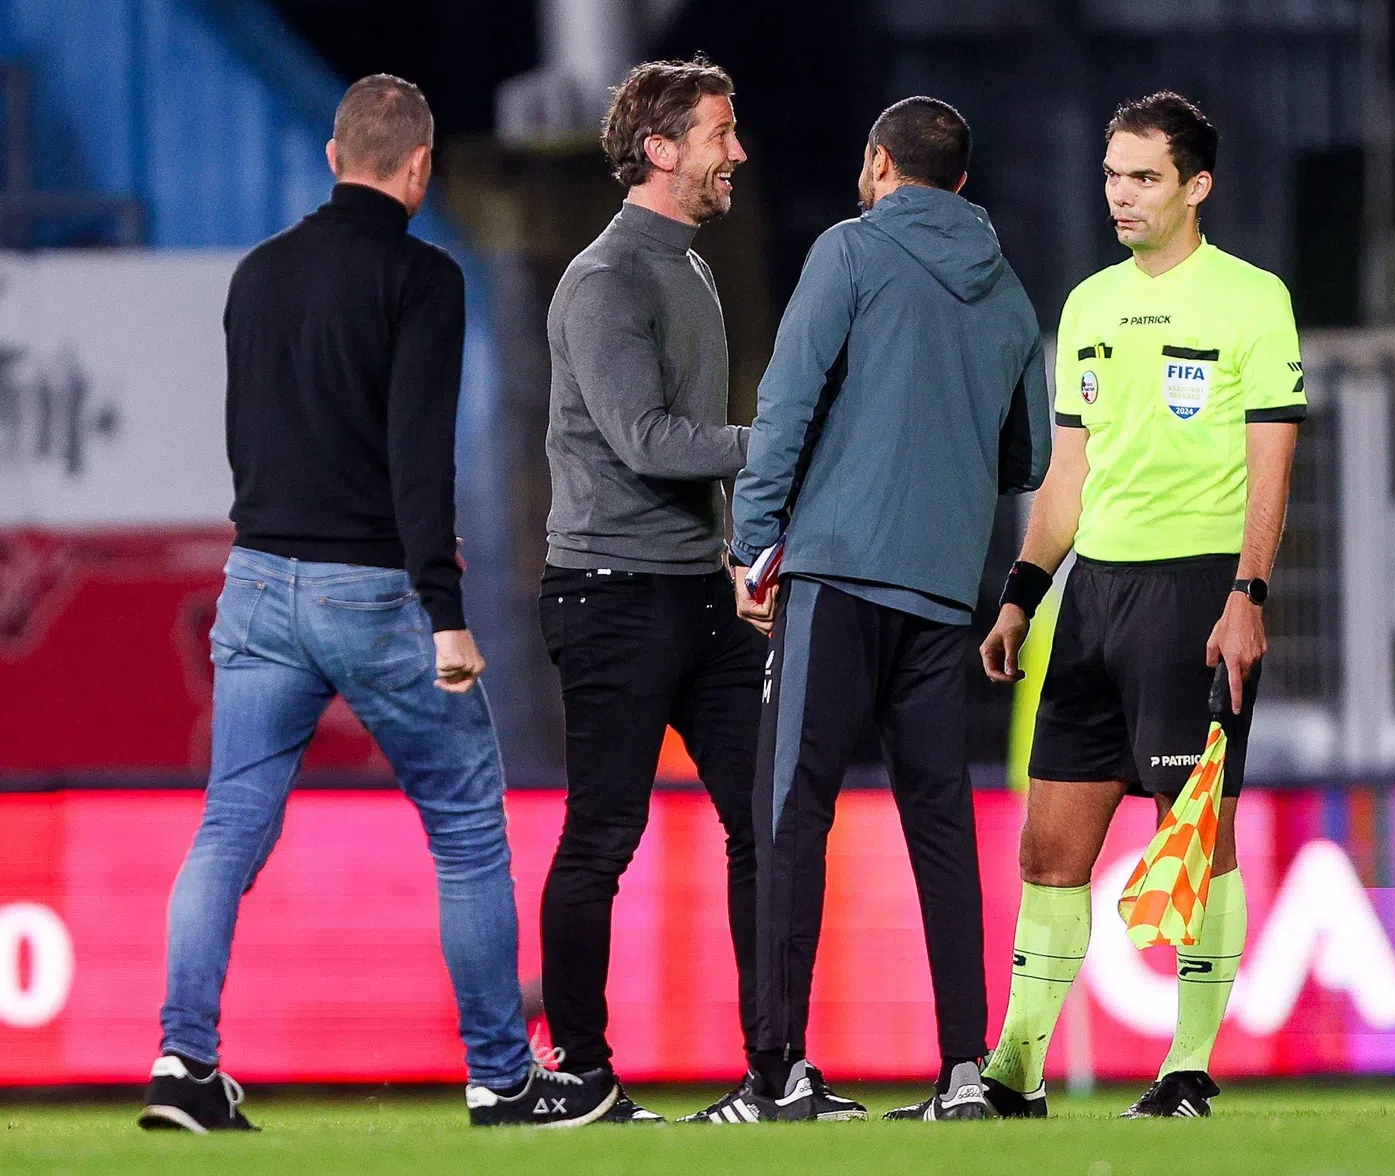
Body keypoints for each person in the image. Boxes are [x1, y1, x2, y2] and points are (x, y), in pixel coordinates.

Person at [141, 75, 610, 1133]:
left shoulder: (257, 276)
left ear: (330, 156)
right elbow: (416, 461)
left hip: (256, 583)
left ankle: (183, 1060)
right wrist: (445, 611)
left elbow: (245, 439)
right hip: (374, 590)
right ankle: (500, 1075)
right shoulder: (424, 279)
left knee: (226, 832)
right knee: (464, 832)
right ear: (419, 166)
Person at [687, 96, 1051, 1124]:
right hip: (942, 592)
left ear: (880, 163)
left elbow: (789, 403)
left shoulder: (849, 253)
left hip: (838, 579)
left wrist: (749, 552)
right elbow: (1025, 456)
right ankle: (964, 1073)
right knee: (941, 828)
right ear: (962, 184)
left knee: (788, 816)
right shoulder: (1013, 296)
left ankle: (776, 1075)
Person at [978, 91, 1304, 1121]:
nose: (1121, 195)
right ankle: (1015, 1073)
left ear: (1196, 186)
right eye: (1113, 175)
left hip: (1194, 590)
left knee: (1193, 834)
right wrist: (1024, 593)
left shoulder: (1252, 301)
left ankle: (1190, 1069)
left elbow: (1271, 463)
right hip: (1094, 596)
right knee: (1048, 849)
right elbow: (1068, 471)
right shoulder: (1087, 304)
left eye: (1144, 177)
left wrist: (1247, 593)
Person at [537, 55, 761, 1125]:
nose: (739, 154)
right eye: (721, 133)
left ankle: (777, 1071)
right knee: (603, 838)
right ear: (661, 150)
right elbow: (648, 440)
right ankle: (581, 1071)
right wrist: (780, 448)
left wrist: (728, 553)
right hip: (611, 594)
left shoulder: (692, 268)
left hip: (697, 598)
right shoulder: (606, 279)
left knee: (768, 823)